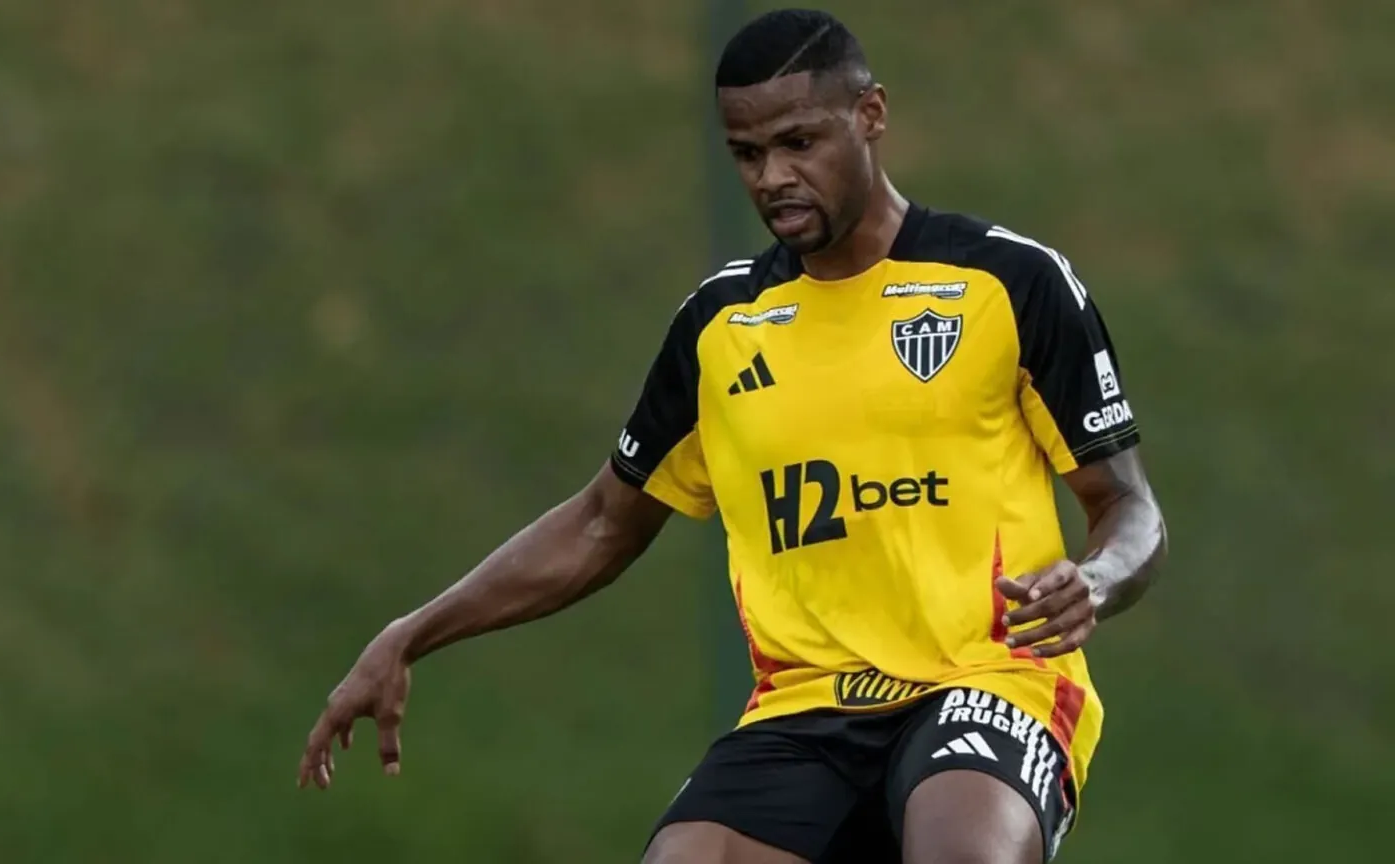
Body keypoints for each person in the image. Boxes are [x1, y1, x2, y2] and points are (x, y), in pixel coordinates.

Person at [297, 8, 1167, 863]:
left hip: (988, 682)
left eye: (799, 143)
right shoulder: (721, 327)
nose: (772, 177)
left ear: (871, 116)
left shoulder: (1005, 282)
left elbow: (1130, 508)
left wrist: (1094, 579)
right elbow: (602, 522)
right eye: (746, 155)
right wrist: (411, 632)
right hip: (803, 708)